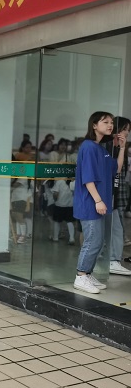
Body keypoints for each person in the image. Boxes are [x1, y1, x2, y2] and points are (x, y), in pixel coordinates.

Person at [72, 111, 125, 294]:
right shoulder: (88, 147)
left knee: (98, 241)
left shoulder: (101, 149)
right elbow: (88, 178)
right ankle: (80, 276)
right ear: (94, 125)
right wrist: (98, 200)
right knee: (92, 241)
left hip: (98, 203)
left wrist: (122, 148)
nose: (110, 125)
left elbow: (117, 169)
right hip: (91, 202)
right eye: (105, 122)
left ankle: (87, 274)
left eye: (111, 122)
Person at [103, 116, 131, 276]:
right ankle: (112, 260)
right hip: (108, 193)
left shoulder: (120, 147)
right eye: (125, 129)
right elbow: (115, 170)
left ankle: (112, 259)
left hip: (117, 193)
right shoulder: (108, 147)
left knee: (115, 227)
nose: (127, 133)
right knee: (114, 228)